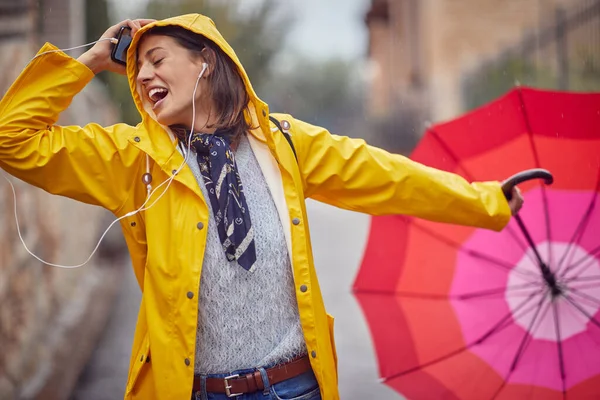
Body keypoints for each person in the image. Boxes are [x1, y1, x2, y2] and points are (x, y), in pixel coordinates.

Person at [0, 14, 523, 400]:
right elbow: (12, 139)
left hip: (296, 386)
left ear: (205, 59)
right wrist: (90, 60)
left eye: (157, 61)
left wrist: (486, 201)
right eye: (137, 70)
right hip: (196, 391)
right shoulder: (132, 160)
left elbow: (390, 178)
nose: (142, 77)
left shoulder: (284, 145)